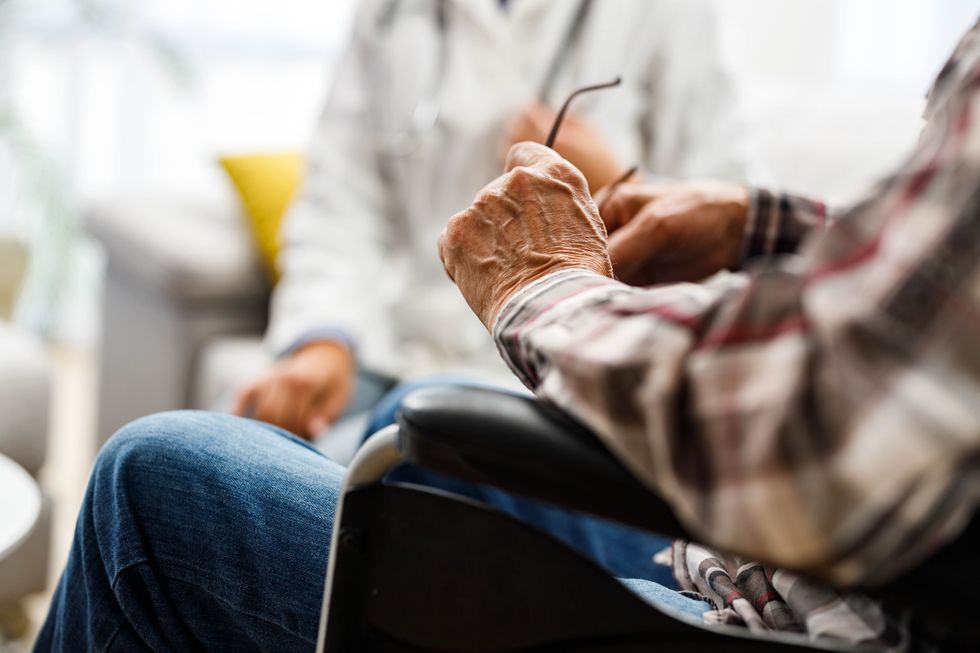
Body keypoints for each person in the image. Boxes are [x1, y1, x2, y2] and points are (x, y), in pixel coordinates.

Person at [38, 15, 980, 653]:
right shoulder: (403, 13)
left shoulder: (667, 15)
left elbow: (812, 420)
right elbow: (340, 199)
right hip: (438, 348)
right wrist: (762, 220)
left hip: (769, 599)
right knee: (408, 419)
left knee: (152, 478)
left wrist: (550, 270)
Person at [231, 0, 759, 447]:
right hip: (402, 341)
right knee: (222, 444)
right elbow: (339, 198)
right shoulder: (390, 11)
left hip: (561, 366)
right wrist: (323, 338)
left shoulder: (668, 13)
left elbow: (729, 221)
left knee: (413, 439)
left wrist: (619, 180)